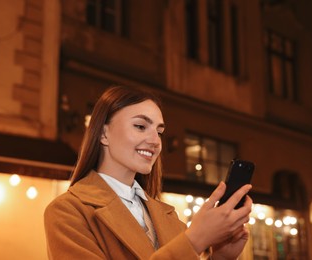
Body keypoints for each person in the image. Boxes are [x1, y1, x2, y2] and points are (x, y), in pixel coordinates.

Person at [44, 85, 253, 259]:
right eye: (140, 126)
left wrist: (221, 257)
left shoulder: (168, 216)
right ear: (103, 133)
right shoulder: (68, 212)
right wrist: (195, 239)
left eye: (159, 131)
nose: (155, 141)